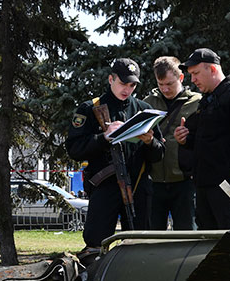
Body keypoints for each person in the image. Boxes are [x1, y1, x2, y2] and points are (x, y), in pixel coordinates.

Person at [66, 57, 165, 251]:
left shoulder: (143, 111)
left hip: (138, 188)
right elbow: (74, 149)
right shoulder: (90, 108)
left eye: (132, 85)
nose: (127, 89)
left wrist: (149, 142)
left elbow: (159, 154)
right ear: (111, 79)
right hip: (105, 188)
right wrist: (104, 138)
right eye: (123, 83)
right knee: (96, 245)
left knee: (139, 247)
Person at [173, 48, 230, 229]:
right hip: (205, 186)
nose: (193, 80)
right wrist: (185, 139)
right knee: (206, 245)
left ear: (212, 69)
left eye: (196, 73)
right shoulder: (208, 100)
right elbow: (207, 141)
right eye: (191, 75)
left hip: (229, 186)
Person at [144, 56, 202, 230]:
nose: (165, 89)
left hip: (185, 182)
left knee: (187, 234)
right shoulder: (147, 103)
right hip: (154, 182)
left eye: (170, 83)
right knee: (151, 237)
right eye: (161, 84)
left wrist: (189, 138)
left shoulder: (198, 102)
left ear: (181, 78)